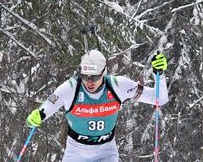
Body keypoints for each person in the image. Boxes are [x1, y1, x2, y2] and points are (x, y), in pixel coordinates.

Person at [25, 49, 169, 161]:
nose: (89, 82)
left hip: (106, 151)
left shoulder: (118, 85)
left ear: (104, 72)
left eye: (94, 77)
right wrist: (35, 118)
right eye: (85, 76)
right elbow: (42, 112)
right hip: (75, 153)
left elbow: (159, 99)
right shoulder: (70, 88)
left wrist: (159, 74)